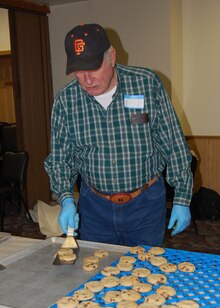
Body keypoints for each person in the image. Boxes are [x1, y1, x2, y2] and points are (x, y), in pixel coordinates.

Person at [44, 23, 193, 247]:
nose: (86, 79)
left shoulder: (146, 84)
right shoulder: (66, 101)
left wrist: (182, 198)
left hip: (145, 204)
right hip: (94, 208)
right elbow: (60, 161)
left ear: (111, 57)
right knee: (96, 273)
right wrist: (65, 198)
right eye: (78, 71)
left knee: (144, 272)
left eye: (92, 69)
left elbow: (173, 145)